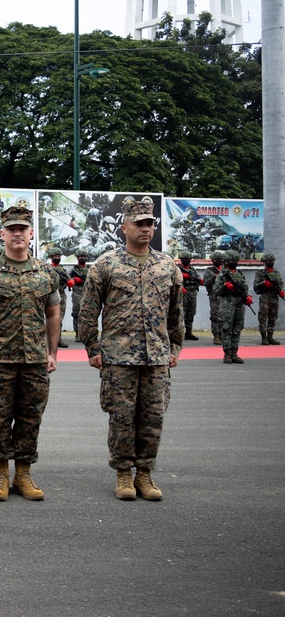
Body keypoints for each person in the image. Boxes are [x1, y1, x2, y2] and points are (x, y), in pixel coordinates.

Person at [77, 199, 182, 501]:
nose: (146, 228)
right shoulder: (106, 264)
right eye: (139, 223)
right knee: (122, 417)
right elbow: (88, 310)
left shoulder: (166, 266)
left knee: (153, 418)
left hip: (157, 357)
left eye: (150, 223)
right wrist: (92, 348)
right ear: (124, 227)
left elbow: (176, 312)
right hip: (118, 356)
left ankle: (145, 473)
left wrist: (175, 346)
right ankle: (124, 473)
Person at [0, 204, 60, 501]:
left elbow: (53, 315)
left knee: (30, 418)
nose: (17, 233)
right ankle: (0, 476)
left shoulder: (46, 272)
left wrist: (52, 352)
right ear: (3, 233)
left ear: (31, 234)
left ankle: (23, 475)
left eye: (23, 229)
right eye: (12, 229)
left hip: (34, 360)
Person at [215, 250, 250, 364]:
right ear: (226, 261)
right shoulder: (223, 274)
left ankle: (235, 353)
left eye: (236, 261)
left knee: (237, 327)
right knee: (226, 328)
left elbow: (245, 288)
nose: (234, 262)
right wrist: (225, 287)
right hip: (227, 304)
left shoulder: (240, 274)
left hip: (239, 304)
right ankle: (227, 353)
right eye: (232, 261)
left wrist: (248, 297)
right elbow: (216, 291)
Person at [254, 253, 283, 345]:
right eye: (269, 261)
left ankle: (270, 337)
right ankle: (264, 337)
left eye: (272, 261)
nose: (271, 263)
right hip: (265, 297)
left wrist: (282, 291)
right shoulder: (260, 273)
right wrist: (264, 283)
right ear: (265, 262)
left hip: (274, 297)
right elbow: (255, 286)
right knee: (263, 317)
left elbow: (281, 284)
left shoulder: (276, 272)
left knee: (273, 317)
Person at [47, 247, 71, 347]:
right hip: (49, 294)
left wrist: (70, 282)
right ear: (51, 257)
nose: (57, 258)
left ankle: (58, 339)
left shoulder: (62, 269)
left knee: (59, 318)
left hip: (61, 294)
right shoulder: (47, 269)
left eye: (59, 256)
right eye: (55, 256)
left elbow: (69, 280)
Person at [178, 251, 203, 341]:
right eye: (184, 259)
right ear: (181, 260)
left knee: (191, 313)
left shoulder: (192, 270)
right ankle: (180, 333)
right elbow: (173, 279)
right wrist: (182, 276)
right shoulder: (178, 269)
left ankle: (188, 332)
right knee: (182, 313)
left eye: (188, 259)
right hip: (183, 293)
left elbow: (198, 279)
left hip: (192, 293)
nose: (186, 260)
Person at [203, 251, 225, 344]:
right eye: (216, 260)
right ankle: (216, 335)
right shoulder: (209, 271)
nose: (218, 261)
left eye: (220, 260)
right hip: (214, 296)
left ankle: (223, 335)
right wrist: (214, 277)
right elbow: (205, 282)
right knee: (215, 315)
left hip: (224, 295)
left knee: (224, 316)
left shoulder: (224, 270)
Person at [69, 248, 90, 342]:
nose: (82, 258)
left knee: (88, 314)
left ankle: (86, 334)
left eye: (84, 257)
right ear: (77, 258)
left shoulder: (90, 270)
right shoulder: (73, 270)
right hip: (77, 294)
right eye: (80, 257)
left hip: (88, 294)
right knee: (76, 313)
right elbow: (67, 279)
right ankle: (77, 334)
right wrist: (73, 279)